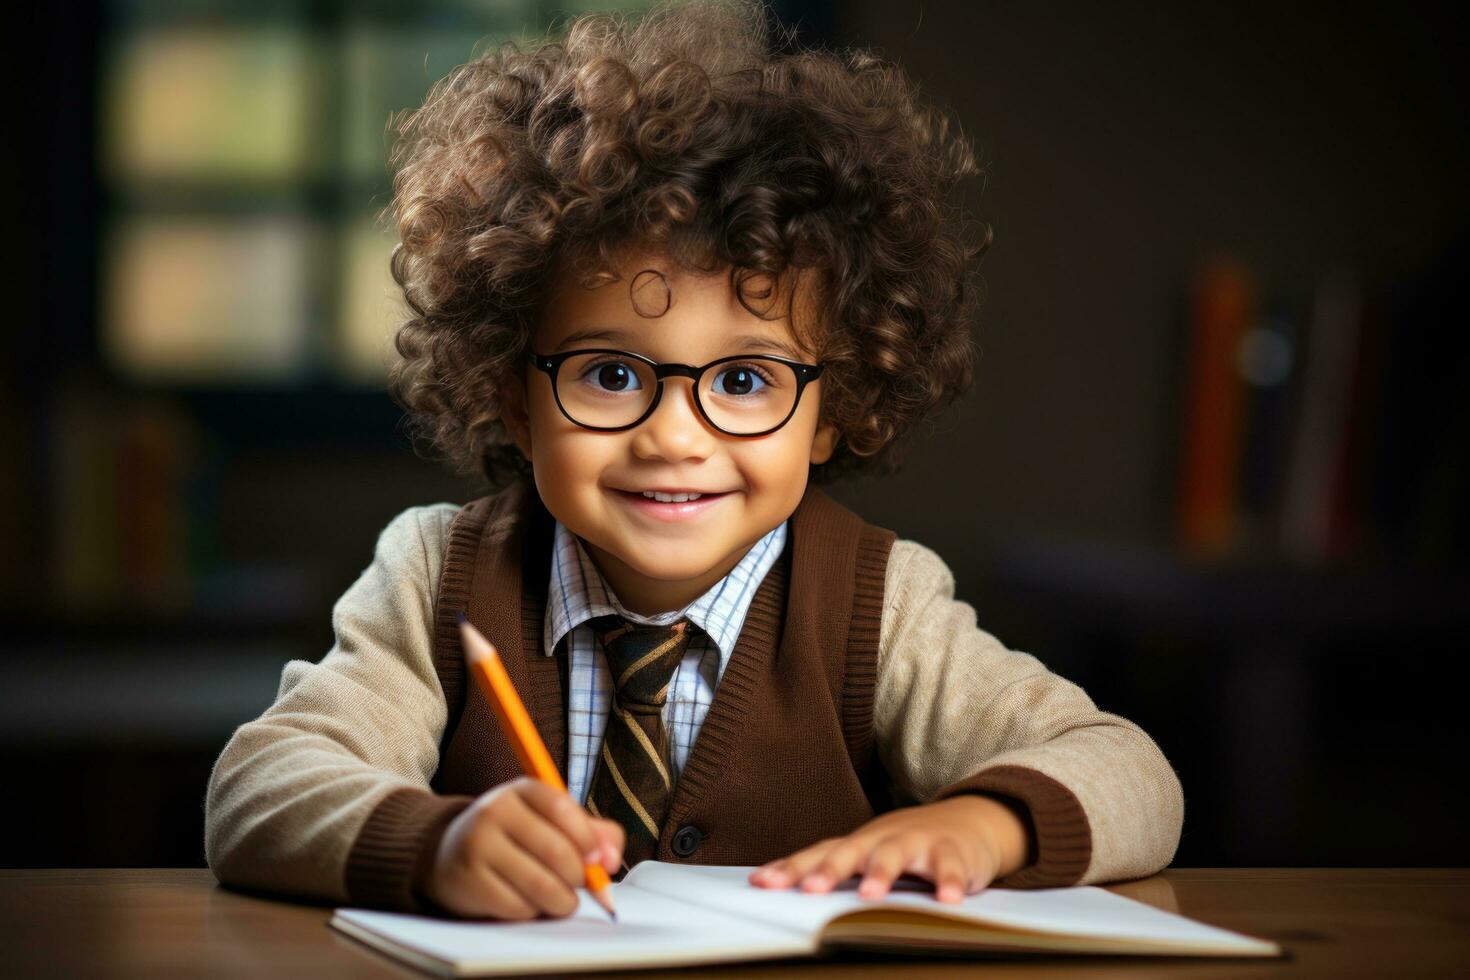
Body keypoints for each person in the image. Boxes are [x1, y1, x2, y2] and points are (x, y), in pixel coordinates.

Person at [205, 0, 1183, 920]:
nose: (675, 435)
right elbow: (257, 788)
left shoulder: (879, 609)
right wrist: (433, 841)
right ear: (514, 388)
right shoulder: (432, 576)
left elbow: (1135, 774)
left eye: (748, 382)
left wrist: (986, 822)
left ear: (832, 410)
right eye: (612, 374)